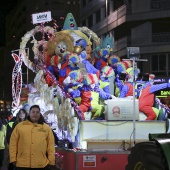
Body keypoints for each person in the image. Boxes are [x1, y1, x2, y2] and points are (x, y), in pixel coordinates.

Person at [9, 105, 55, 170]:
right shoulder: (20, 126)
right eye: (33, 112)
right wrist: (13, 158)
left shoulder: (46, 128)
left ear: (40, 114)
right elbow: (13, 143)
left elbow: (50, 146)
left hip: (41, 164)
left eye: (37, 112)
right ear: (29, 113)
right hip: (22, 164)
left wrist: (51, 161)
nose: (35, 114)